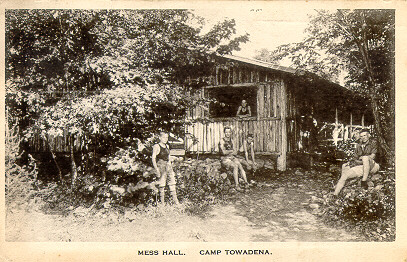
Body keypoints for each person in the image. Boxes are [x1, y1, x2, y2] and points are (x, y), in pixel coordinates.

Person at [334, 129, 380, 195]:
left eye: (365, 135)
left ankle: (364, 181)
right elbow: (355, 159)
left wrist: (363, 158)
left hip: (373, 166)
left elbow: (372, 156)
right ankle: (336, 193)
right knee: (345, 167)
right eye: (361, 136)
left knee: (365, 158)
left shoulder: (373, 143)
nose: (363, 137)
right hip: (363, 167)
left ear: (368, 135)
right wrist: (351, 163)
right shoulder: (359, 145)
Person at [151, 132, 179, 205]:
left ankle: (176, 202)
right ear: (160, 138)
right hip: (161, 166)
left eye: (166, 137)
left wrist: (170, 163)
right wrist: (156, 169)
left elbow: (168, 156)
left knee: (172, 182)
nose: (165, 139)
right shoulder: (156, 146)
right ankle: (162, 204)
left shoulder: (167, 146)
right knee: (162, 184)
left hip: (168, 166)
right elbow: (153, 158)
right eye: (164, 137)